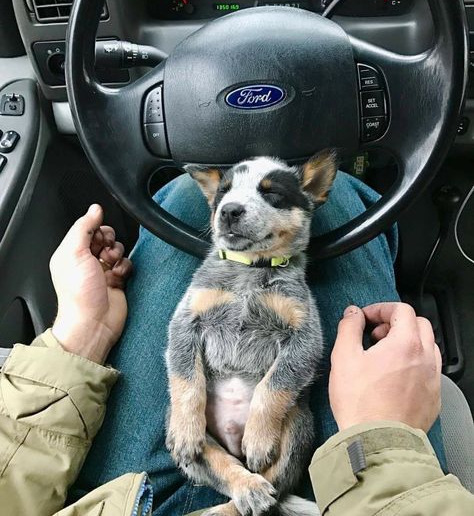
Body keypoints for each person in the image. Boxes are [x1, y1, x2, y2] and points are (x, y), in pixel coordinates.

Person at [0, 173, 473, 516]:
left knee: (182, 198)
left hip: (113, 501)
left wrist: (82, 336)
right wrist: (384, 446)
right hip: (349, 491)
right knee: (344, 201)